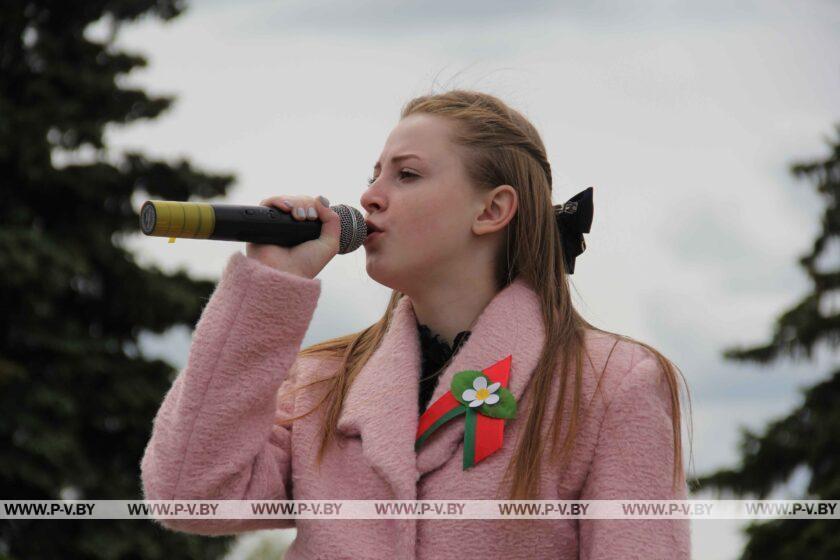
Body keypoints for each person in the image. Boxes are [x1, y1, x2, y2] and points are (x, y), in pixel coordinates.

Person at [140, 89, 693, 559]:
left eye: (406, 175)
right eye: (374, 175)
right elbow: (189, 491)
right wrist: (268, 289)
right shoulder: (324, 382)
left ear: (492, 210)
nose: (369, 196)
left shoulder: (609, 384)